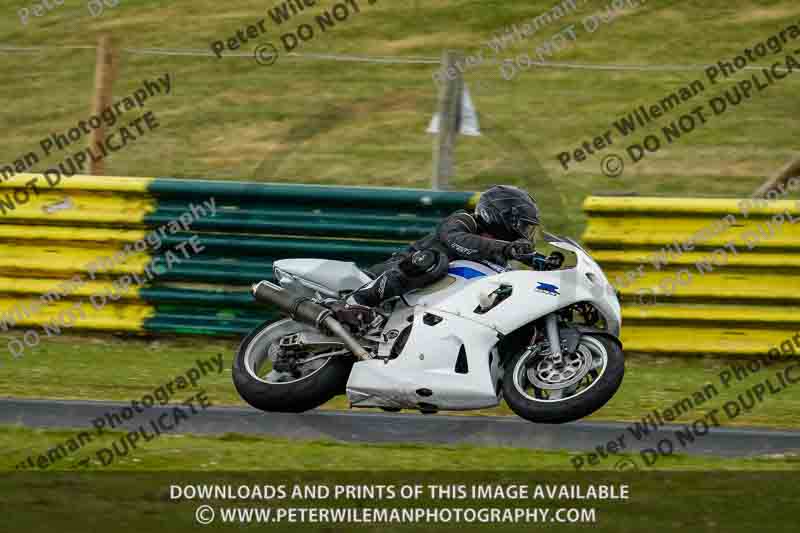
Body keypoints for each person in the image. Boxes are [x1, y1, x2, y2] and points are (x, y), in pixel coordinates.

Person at [329, 185, 543, 330]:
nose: (523, 232)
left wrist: (537, 261)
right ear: (501, 215)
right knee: (433, 261)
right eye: (521, 225)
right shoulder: (466, 220)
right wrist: (508, 248)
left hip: (425, 304)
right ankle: (359, 300)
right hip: (394, 272)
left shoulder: (499, 259)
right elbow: (456, 240)